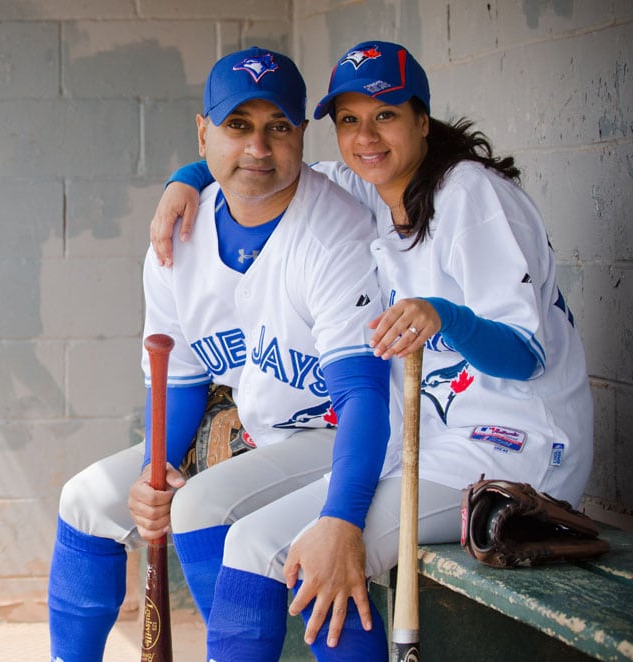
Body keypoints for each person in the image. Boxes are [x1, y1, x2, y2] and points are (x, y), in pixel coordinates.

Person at [149, 40, 594, 659]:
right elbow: (255, 166)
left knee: (285, 551)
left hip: (513, 449)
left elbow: (526, 355)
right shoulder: (367, 187)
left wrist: (447, 317)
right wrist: (184, 180)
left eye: (385, 114)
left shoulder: (470, 194)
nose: (366, 136)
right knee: (258, 542)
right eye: (350, 120)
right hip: (429, 447)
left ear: (421, 119)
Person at [47, 46, 393, 661]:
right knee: (86, 499)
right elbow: (178, 382)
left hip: (342, 432)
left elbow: (364, 394)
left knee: (211, 510)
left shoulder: (334, 227)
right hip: (251, 424)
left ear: (301, 135)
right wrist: (156, 472)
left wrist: (343, 515)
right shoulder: (178, 234)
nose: (258, 148)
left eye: (277, 127)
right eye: (238, 126)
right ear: (204, 132)